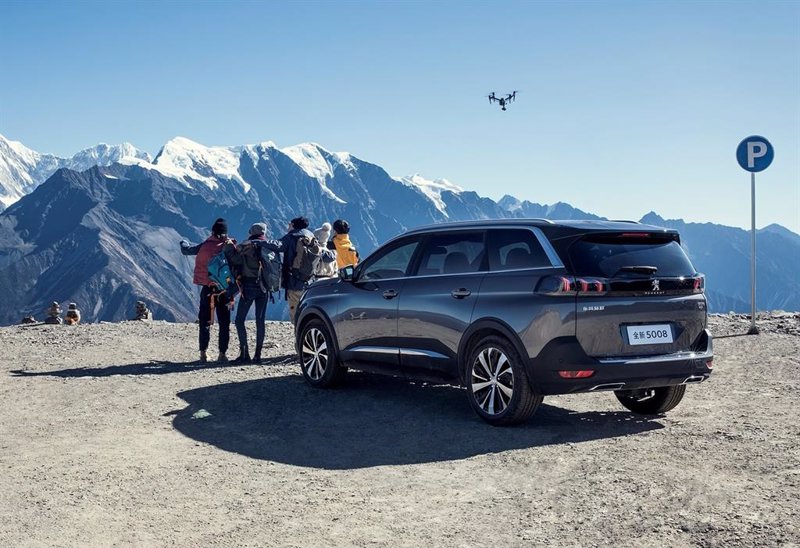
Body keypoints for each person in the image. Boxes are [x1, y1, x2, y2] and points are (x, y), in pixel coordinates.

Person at [248, 216, 335, 324]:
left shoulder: (292, 237)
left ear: (293, 225)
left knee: (296, 315)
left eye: (289, 224)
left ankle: (299, 333)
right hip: (309, 282)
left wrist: (258, 242)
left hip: (294, 282)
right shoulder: (311, 238)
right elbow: (324, 256)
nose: (288, 226)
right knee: (307, 311)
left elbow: (277, 245)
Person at [180, 218, 236, 364]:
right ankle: (222, 354)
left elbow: (186, 250)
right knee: (224, 323)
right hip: (224, 290)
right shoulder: (229, 246)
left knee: (204, 321)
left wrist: (183, 242)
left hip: (207, 289)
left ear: (212, 232)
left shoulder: (204, 246)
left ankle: (203, 354)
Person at [227, 222, 270, 364]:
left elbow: (234, 259)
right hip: (264, 287)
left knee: (240, 320)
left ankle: (245, 354)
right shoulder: (269, 246)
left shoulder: (246, 246)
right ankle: (258, 355)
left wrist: (229, 246)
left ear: (252, 232)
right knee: (260, 321)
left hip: (249, 286)